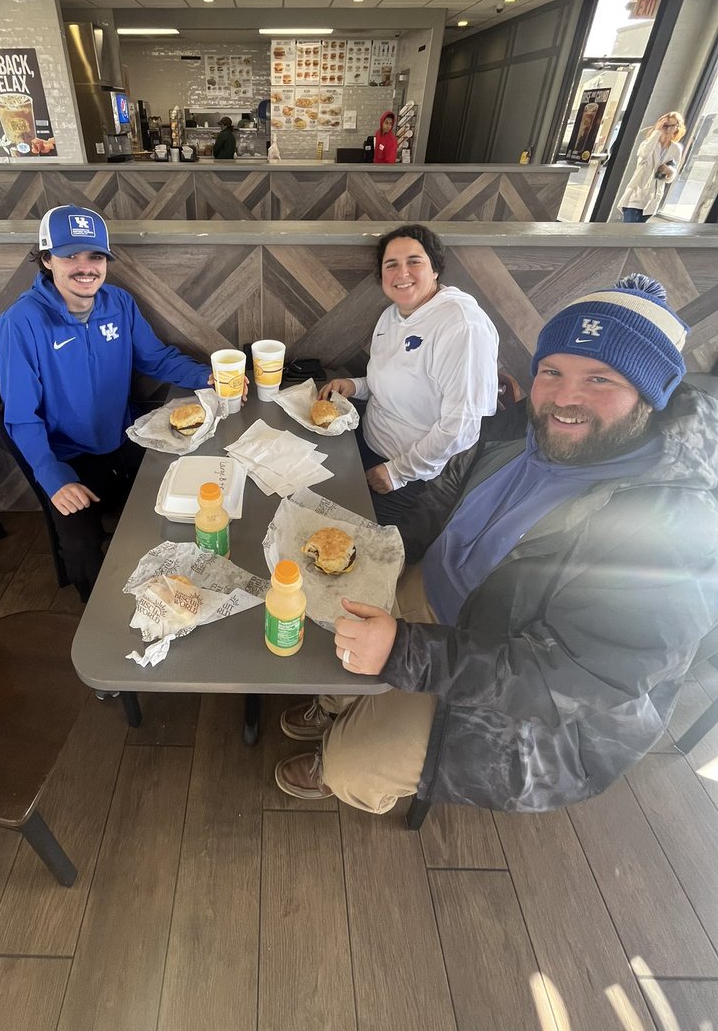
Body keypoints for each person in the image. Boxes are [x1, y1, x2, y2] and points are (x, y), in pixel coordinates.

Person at [275, 274, 718, 816]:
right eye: (552, 371)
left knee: (352, 766)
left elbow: (578, 682)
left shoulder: (672, 528)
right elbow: (440, 501)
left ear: (650, 397)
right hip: (435, 595)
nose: (566, 398)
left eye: (601, 379)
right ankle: (336, 703)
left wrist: (406, 653)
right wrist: (383, 552)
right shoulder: (519, 428)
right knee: (338, 622)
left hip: (523, 702)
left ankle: (337, 754)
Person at [0, 205, 211, 601]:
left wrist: (207, 377)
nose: (85, 267)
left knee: (189, 505)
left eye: (94, 256)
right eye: (69, 255)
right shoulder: (20, 322)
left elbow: (156, 358)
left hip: (124, 437)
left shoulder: (120, 303)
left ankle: (183, 596)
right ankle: (98, 616)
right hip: (68, 458)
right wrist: (52, 476)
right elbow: (22, 417)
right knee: (80, 549)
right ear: (46, 259)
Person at [319, 225, 499, 529]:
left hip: (415, 479)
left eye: (414, 262)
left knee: (348, 543)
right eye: (392, 265)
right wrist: (354, 386)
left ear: (436, 268)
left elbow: (464, 426)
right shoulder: (392, 314)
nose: (402, 273)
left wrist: (397, 472)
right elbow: (391, 381)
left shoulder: (462, 326)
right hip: (363, 444)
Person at [618, 111, 686, 222]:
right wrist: (656, 133)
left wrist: (670, 172)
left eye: (672, 126)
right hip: (636, 194)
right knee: (628, 232)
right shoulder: (648, 143)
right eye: (665, 125)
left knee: (637, 234)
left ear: (677, 127)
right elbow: (644, 155)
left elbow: (671, 177)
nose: (668, 129)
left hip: (652, 199)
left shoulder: (676, 149)